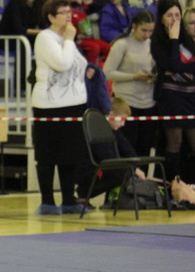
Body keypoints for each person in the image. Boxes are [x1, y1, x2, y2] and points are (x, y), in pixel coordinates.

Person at [31, 0, 89, 215]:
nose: (68, 16)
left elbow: (78, 64)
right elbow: (62, 64)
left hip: (73, 105)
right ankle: (47, 201)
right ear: (51, 17)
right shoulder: (45, 38)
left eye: (69, 11)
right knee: (48, 155)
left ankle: (68, 200)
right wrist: (69, 40)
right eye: (63, 12)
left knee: (70, 155)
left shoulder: (66, 39)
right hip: (50, 106)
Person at [102, 10, 157, 160]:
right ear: (134, 26)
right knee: (128, 147)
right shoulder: (122, 44)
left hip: (148, 101)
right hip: (127, 102)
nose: (147, 35)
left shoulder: (152, 44)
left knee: (145, 147)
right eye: (144, 30)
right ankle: (128, 175)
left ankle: (142, 175)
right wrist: (134, 77)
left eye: (151, 31)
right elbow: (107, 73)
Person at [151, 0, 195, 180]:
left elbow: (176, 66)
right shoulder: (158, 42)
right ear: (161, 18)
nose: (174, 19)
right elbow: (172, 64)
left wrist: (179, 67)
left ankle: (191, 185)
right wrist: (174, 39)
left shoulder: (188, 39)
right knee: (175, 142)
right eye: (169, 15)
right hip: (171, 97)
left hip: (192, 97)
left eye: (177, 15)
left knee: (194, 142)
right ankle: (171, 186)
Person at [76, 97, 148, 207]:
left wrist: (136, 166)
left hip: (102, 167)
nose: (123, 124)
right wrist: (132, 169)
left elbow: (128, 150)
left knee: (125, 171)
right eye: (121, 120)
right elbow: (108, 157)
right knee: (122, 173)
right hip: (90, 170)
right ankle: (84, 192)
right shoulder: (99, 130)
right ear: (111, 115)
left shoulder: (114, 131)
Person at [72, 0, 112, 64]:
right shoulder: (68, 12)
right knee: (95, 47)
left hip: (89, 38)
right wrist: (77, 36)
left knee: (108, 47)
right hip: (78, 40)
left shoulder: (83, 8)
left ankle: (102, 65)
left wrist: (90, 2)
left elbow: (98, 7)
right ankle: (90, 67)